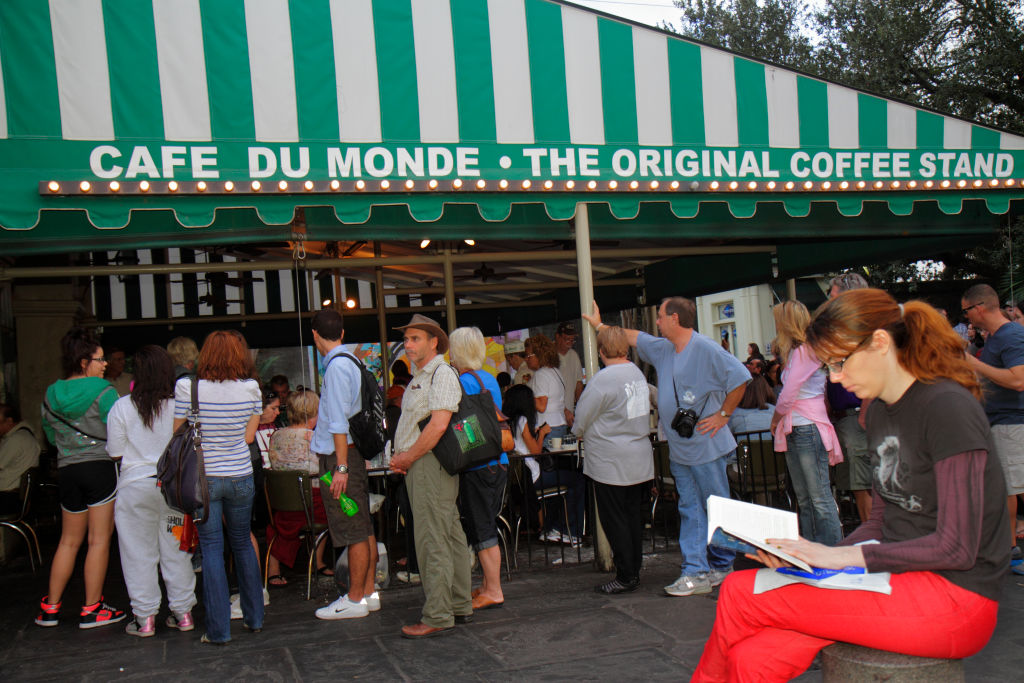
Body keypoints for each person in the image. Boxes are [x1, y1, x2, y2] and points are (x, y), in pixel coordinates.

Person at [692, 289, 1009, 682]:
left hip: (956, 599)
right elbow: (880, 522)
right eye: (828, 367)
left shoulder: (947, 406)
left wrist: (838, 560)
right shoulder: (877, 412)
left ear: (880, 342)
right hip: (893, 579)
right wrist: (809, 559)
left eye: (840, 362)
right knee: (754, 659)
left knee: (741, 593)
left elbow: (957, 547)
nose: (836, 377)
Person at [583, 298, 750, 598]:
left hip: (705, 445)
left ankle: (720, 567)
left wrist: (723, 415)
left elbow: (740, 377)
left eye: (660, 317)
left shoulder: (706, 348)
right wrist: (600, 325)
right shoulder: (664, 348)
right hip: (682, 446)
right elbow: (631, 337)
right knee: (690, 507)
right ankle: (696, 570)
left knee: (714, 505)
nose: (656, 322)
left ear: (674, 318)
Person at [174, 330, 263, 644]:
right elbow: (249, 438)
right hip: (241, 475)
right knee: (241, 543)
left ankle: (218, 630)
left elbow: (177, 433)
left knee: (211, 549)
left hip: (204, 480)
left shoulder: (188, 387)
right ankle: (254, 617)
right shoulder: (251, 388)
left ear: (205, 354)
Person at [388, 313, 472, 638]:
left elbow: (438, 426)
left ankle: (437, 614)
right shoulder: (426, 374)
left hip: (427, 465)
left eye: (415, 339)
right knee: (448, 534)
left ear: (433, 341)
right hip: (426, 464)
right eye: (406, 339)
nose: (408, 345)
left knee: (432, 538)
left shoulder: (440, 373)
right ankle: (458, 603)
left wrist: (407, 456)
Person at [37, 327, 125, 629]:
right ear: (83, 361)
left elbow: (49, 435)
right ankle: (92, 608)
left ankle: (50, 607)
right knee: (99, 540)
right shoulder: (104, 391)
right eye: (99, 360)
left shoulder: (51, 393)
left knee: (68, 541)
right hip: (99, 468)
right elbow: (119, 430)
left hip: (67, 470)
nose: (104, 365)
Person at [109, 345, 197, 637]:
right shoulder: (179, 406)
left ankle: (144, 619)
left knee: (137, 553)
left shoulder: (121, 407)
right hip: (173, 492)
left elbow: (115, 452)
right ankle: (183, 614)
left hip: (135, 490)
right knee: (176, 551)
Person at [572, 325, 653, 594]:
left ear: (601, 350)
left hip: (610, 460)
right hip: (639, 456)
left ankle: (625, 574)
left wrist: (578, 432)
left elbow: (582, 416)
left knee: (614, 519)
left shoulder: (603, 380)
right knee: (633, 520)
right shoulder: (636, 374)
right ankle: (633, 569)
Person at [310, 309, 379, 621]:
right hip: (351, 455)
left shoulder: (336, 368)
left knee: (351, 528)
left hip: (341, 457)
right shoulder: (353, 361)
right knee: (362, 525)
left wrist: (339, 468)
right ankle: (367, 591)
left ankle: (354, 599)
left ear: (314, 335)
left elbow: (338, 423)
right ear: (342, 333)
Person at [770, 301, 844, 546]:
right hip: (803, 425)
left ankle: (829, 550)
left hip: (805, 425)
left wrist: (776, 418)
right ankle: (816, 549)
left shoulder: (802, 351)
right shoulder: (802, 351)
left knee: (816, 496)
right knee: (809, 497)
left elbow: (788, 393)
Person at [961, 283, 1024, 565]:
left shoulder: (1010, 336)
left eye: (966, 311)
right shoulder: (998, 338)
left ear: (979, 308)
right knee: (1007, 487)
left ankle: (1011, 549)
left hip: (1011, 423)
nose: (966, 318)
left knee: (1010, 488)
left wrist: (973, 365)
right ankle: (1008, 547)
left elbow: (1018, 380)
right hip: (1001, 422)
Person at [449, 326, 509, 610]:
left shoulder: (462, 382)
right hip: (498, 462)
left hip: (478, 465)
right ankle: (487, 585)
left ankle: (494, 589)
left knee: (483, 529)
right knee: (486, 523)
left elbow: (460, 427)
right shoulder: (488, 379)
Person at [265, 389, 331, 585]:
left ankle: (273, 569)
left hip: (283, 506)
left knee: (280, 521)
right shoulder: (316, 438)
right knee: (338, 503)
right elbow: (325, 472)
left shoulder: (276, 436)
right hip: (313, 506)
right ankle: (318, 561)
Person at [527, 333, 584, 545]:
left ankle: (556, 527)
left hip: (548, 429)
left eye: (529, 355)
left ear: (538, 354)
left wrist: (521, 398)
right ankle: (554, 527)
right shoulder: (556, 372)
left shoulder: (541, 375)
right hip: (559, 425)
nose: (527, 359)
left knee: (554, 476)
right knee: (559, 478)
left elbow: (541, 405)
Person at [826, 270, 873, 523]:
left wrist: (866, 410)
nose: (831, 301)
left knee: (863, 480)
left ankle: (874, 539)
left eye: (834, 296)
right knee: (859, 481)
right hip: (848, 418)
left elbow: (872, 370)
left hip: (860, 416)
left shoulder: (862, 327)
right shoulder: (844, 328)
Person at [0, 403, 40, 514]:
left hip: (8, 498)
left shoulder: (16, 439)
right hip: (16, 496)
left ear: (9, 421)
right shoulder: (26, 435)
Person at [555, 322, 584, 425]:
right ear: (557, 337)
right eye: (567, 339)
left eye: (572, 340)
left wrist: (580, 409)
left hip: (569, 416)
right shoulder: (550, 356)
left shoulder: (574, 355)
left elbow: (578, 383)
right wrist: (564, 410)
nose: (570, 342)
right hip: (553, 418)